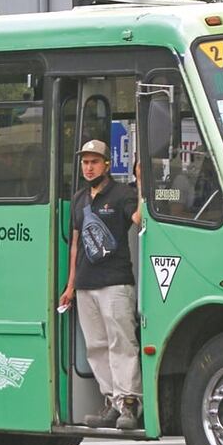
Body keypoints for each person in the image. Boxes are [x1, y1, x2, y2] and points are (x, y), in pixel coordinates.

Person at [58, 140, 143, 430]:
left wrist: (143, 184)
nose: (89, 167)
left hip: (115, 282)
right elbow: (75, 245)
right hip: (85, 284)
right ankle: (112, 403)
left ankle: (129, 404)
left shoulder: (122, 194)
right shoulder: (80, 198)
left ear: (107, 164)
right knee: (96, 346)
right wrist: (70, 286)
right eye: (85, 162)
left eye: (94, 162)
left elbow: (138, 219)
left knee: (122, 343)